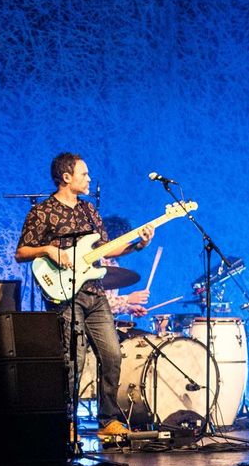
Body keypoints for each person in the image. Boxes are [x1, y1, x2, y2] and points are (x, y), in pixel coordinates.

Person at [15, 153, 153, 443]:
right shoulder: (43, 212)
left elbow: (105, 249)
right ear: (66, 177)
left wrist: (137, 245)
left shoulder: (89, 211)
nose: (89, 178)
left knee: (113, 354)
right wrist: (48, 250)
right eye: (84, 174)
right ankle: (66, 421)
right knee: (71, 360)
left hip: (94, 292)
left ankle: (108, 420)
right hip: (64, 294)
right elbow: (21, 252)